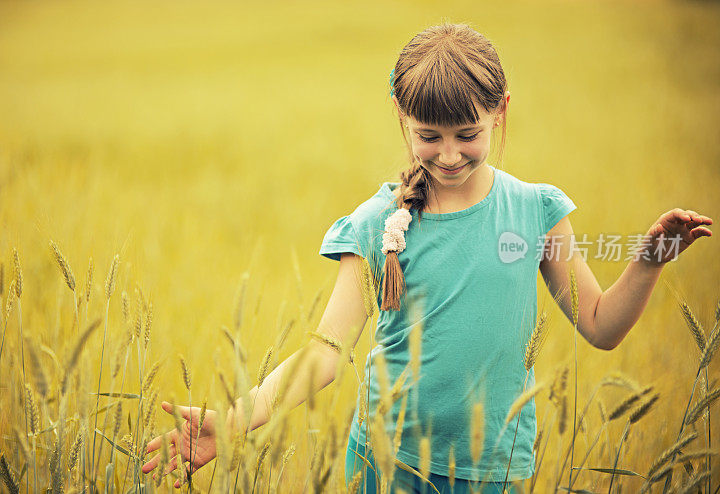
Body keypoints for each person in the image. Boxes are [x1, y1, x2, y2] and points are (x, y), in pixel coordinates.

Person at [140, 22, 713, 493]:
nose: (448, 154)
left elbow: (601, 325)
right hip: (389, 466)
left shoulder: (536, 212)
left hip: (495, 471)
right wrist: (237, 420)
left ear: (500, 111)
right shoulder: (375, 225)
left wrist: (651, 257)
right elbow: (326, 354)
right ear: (400, 116)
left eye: (467, 133)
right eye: (428, 135)